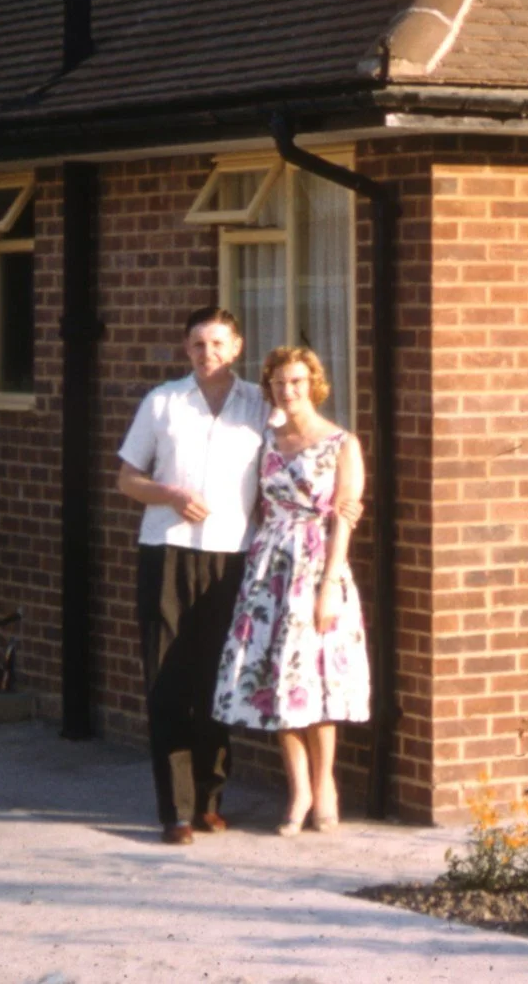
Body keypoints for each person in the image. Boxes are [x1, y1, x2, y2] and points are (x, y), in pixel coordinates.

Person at [116, 305, 267, 846]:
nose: (210, 354)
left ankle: (210, 798)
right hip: (169, 552)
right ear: (186, 349)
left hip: (233, 558)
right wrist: (172, 494)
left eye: (220, 344)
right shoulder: (162, 403)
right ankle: (175, 811)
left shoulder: (259, 405)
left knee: (217, 680)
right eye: (199, 345)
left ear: (238, 347)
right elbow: (127, 480)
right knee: (167, 680)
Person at [213, 343, 370, 834]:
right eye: (280, 382)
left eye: (298, 381)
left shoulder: (343, 443)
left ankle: (326, 787)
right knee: (278, 681)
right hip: (269, 570)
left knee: (316, 683)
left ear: (315, 384)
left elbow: (345, 516)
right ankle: (297, 790)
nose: (289, 390)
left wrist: (328, 586)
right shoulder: (267, 439)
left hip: (318, 567)